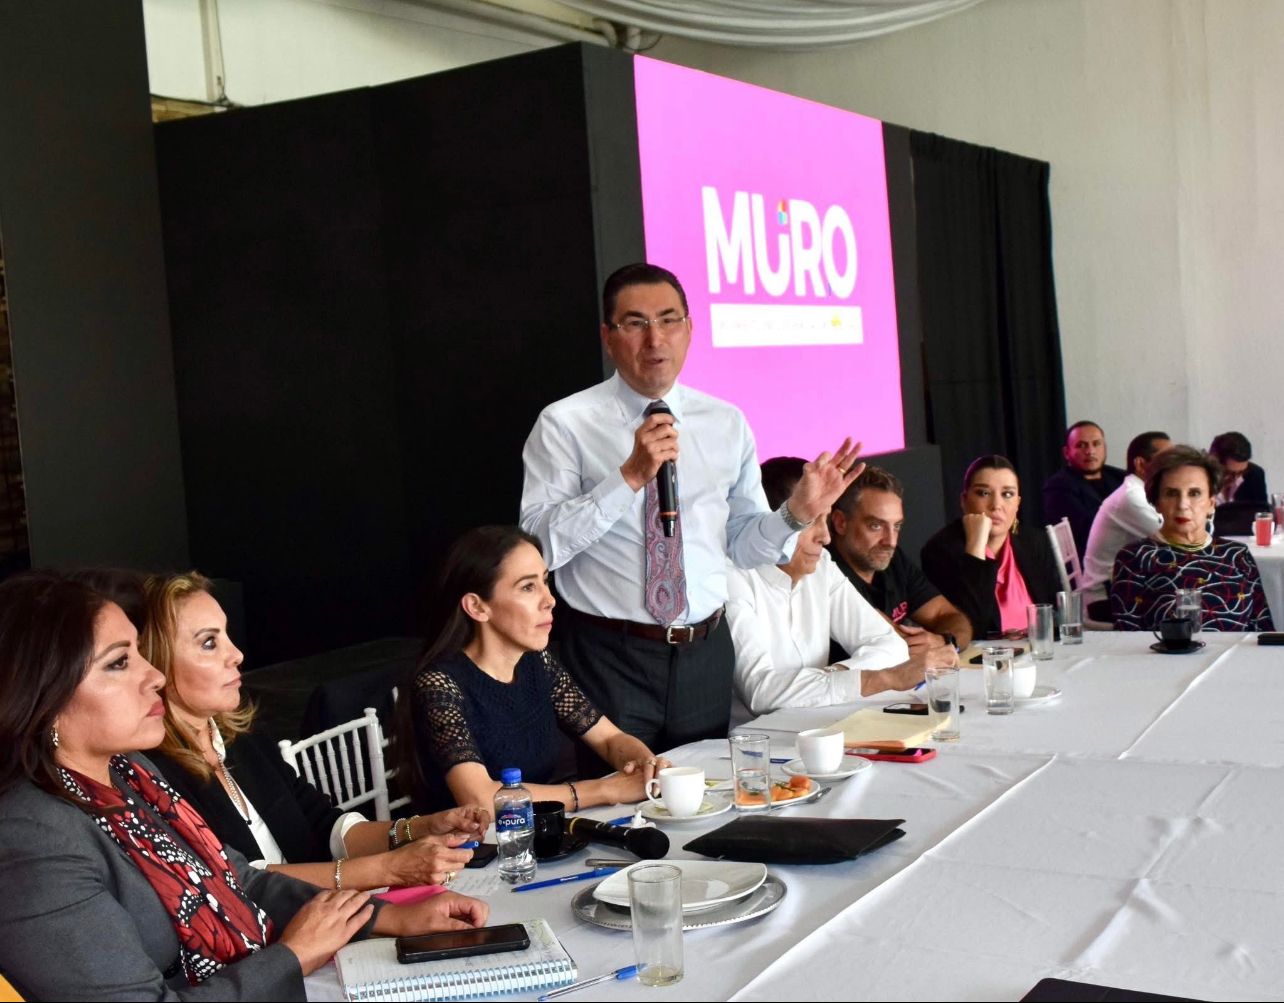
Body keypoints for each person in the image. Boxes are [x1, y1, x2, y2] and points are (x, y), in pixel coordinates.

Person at [0, 572, 488, 1002]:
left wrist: (390, 919)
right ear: (44, 697)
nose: (153, 676)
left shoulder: (130, 773)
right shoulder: (31, 838)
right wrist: (294, 955)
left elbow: (239, 879)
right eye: (118, 662)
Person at [519, 262, 863, 751]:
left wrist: (796, 514)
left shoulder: (726, 422)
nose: (654, 339)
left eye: (669, 320)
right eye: (635, 323)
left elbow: (742, 547)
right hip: (609, 656)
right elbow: (538, 548)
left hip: (705, 653)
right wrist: (628, 478)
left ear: (690, 329)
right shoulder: (565, 423)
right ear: (608, 337)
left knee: (707, 790)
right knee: (621, 795)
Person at [140, 571, 486, 892]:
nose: (237, 654)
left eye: (227, 635)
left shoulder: (242, 738)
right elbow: (241, 881)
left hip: (325, 914)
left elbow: (326, 826)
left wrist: (422, 828)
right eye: (209, 643)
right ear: (156, 663)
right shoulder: (152, 776)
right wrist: (389, 869)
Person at [397, 525, 673, 813]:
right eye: (528, 587)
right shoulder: (439, 683)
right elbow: (480, 799)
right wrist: (605, 789)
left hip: (536, 831)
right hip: (470, 840)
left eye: (545, 581)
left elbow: (608, 739)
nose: (549, 600)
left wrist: (647, 765)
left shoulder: (536, 662)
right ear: (477, 607)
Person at [726, 458, 920, 722]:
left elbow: (891, 646)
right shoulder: (733, 575)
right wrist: (881, 679)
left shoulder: (822, 566)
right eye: (811, 520)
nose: (826, 537)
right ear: (772, 524)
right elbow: (761, 693)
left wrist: (834, 676)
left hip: (821, 729)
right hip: (753, 741)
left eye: (825, 518)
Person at [1111, 446, 1274, 631]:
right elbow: (1127, 637)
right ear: (1156, 503)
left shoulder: (1237, 554)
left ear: (1211, 503)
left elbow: (1263, 629)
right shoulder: (1136, 557)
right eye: (1171, 493)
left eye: (1194, 493)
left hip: (1239, 651)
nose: (1183, 505)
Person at [829, 465, 974, 656]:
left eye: (896, 526)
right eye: (875, 526)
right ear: (840, 522)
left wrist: (946, 641)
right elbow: (894, 644)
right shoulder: (825, 572)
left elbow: (949, 616)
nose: (891, 541)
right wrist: (930, 647)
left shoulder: (895, 560)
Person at [921, 455, 1062, 639]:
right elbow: (971, 629)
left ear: (1018, 504)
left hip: (1037, 650)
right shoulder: (940, 551)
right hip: (982, 655)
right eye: (983, 493)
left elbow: (1055, 613)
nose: (996, 505)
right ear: (964, 501)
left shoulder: (1035, 541)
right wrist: (976, 546)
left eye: (1007, 494)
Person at [1080, 431, 1171, 603]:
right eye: (1166, 460)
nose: (1174, 467)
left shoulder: (1144, 492)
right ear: (1141, 464)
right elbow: (1174, 540)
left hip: (1129, 585)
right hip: (1105, 598)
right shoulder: (1131, 497)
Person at [1042, 420, 1126, 557]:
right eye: (1081, 445)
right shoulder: (1057, 486)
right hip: (1093, 559)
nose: (1090, 451)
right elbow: (1090, 528)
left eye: (1096, 444)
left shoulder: (1121, 477)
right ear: (1066, 453)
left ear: (1104, 447)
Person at [1208, 431, 1268, 503]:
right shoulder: (1199, 481)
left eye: (1241, 472)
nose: (1235, 478)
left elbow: (1261, 509)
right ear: (1212, 462)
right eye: (1228, 473)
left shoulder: (1255, 475)